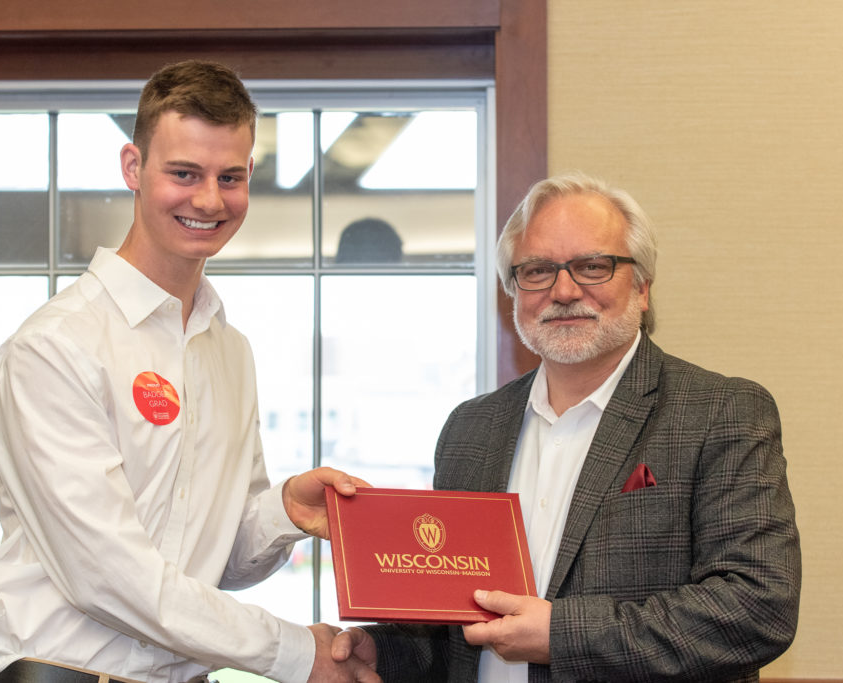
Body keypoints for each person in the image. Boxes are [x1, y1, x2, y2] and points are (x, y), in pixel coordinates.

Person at [0, 60, 379, 683]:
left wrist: (284, 510)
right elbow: (109, 576)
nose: (209, 199)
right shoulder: (54, 347)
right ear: (133, 167)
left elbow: (210, 559)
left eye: (229, 177)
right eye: (184, 173)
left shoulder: (228, 350)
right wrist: (295, 652)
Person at [331, 172, 801, 682]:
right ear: (512, 292)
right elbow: (457, 628)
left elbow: (757, 608)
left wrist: (560, 635)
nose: (563, 289)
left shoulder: (721, 411)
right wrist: (387, 653)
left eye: (593, 266)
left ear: (642, 287)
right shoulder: (470, 428)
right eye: (536, 270)